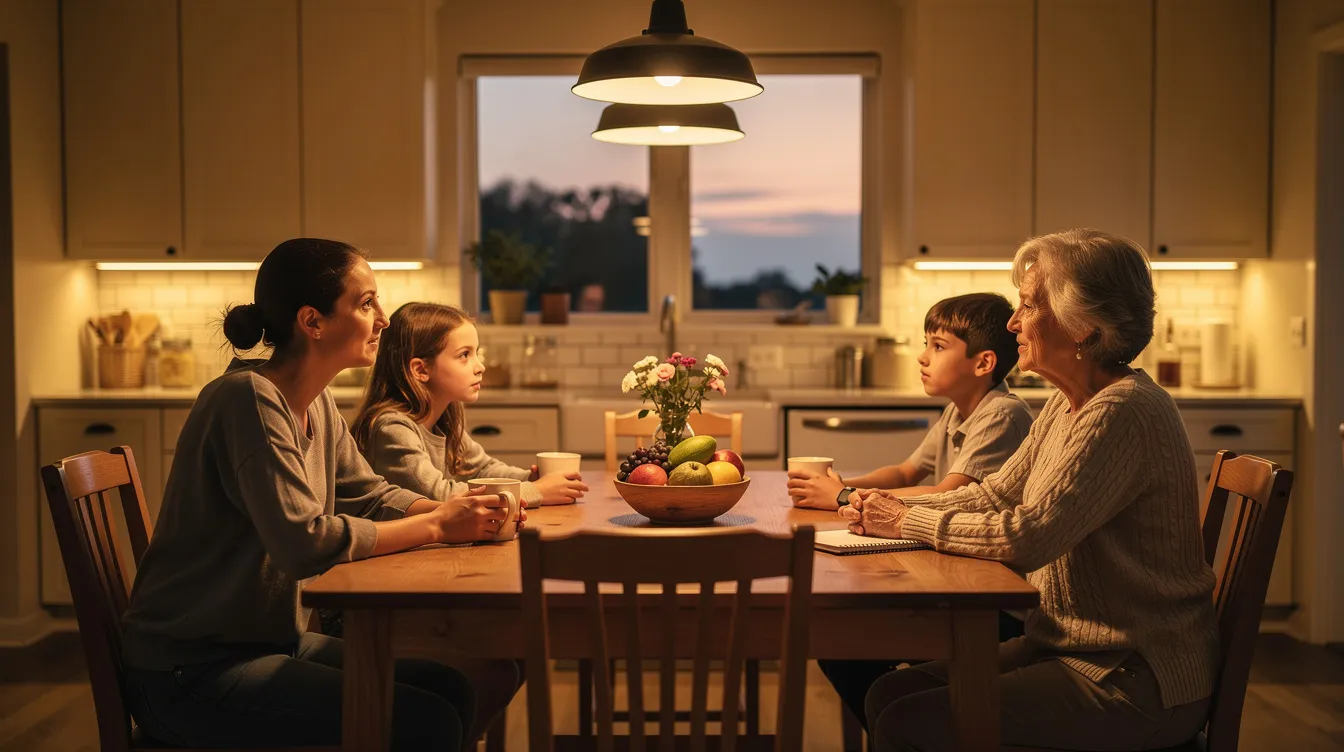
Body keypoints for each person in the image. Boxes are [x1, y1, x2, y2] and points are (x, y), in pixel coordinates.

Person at [120, 238, 523, 751]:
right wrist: (441, 526)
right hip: (190, 671)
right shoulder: (248, 401)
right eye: (366, 302)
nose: (383, 319)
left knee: (452, 691)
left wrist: (449, 509)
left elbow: (369, 494)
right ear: (313, 321)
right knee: (426, 721)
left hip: (266, 643)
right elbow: (302, 543)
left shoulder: (317, 402)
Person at [848, 229, 1219, 751]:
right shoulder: (1068, 404)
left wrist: (906, 520)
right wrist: (883, 507)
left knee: (908, 721)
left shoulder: (1120, 411)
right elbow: (997, 495)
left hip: (1133, 676)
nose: (1012, 323)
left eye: (1027, 305)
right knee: (888, 694)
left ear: (1083, 326)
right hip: (1067, 648)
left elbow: (1029, 536)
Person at [793, 293, 1034, 725]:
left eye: (938, 347)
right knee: (842, 647)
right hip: (959, 577)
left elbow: (947, 491)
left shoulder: (1001, 414)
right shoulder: (957, 411)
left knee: (844, 647)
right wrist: (842, 485)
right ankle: (898, 729)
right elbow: (905, 472)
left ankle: (903, 729)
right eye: (926, 344)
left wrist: (843, 498)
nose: (922, 358)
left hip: (995, 602)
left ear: (983, 363)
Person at [352, 301, 588, 507]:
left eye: (477, 353)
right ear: (420, 369)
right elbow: (438, 496)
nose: (480, 366)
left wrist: (531, 479)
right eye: (464, 355)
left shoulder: (444, 419)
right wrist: (535, 492)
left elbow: (483, 469)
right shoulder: (391, 429)